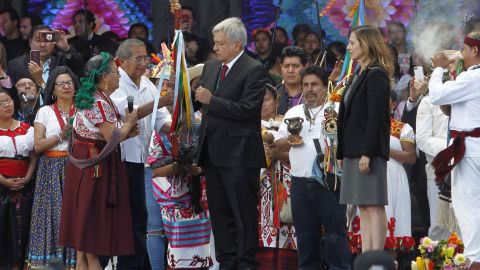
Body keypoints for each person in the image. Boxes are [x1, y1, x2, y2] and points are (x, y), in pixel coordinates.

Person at [194, 17, 267, 270]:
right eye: (215, 43)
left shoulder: (253, 68)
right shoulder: (211, 68)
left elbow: (248, 109)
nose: (215, 48)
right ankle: (226, 261)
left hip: (240, 153)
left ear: (237, 45)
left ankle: (246, 261)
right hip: (212, 152)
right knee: (219, 212)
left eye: (221, 44)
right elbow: (200, 103)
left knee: (243, 211)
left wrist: (212, 100)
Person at [59, 52, 139, 269]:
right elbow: (113, 137)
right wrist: (130, 123)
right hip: (95, 170)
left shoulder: (97, 98)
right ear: (104, 76)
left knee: (84, 245)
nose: (119, 76)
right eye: (115, 72)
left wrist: (128, 128)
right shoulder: (98, 102)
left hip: (86, 168)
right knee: (90, 240)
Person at [275, 65, 351, 269]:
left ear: (326, 86)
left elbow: (348, 142)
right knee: (306, 239)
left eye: (314, 84)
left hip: (329, 181)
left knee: (336, 238)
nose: (309, 89)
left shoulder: (335, 110)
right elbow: (278, 144)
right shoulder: (294, 111)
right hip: (300, 183)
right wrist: (291, 138)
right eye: (306, 85)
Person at [111, 39, 173, 270]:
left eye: (146, 57)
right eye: (138, 59)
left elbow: (162, 119)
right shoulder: (114, 82)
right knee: (129, 221)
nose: (144, 63)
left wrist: (178, 124)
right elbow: (128, 115)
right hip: (120, 162)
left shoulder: (147, 83)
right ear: (122, 61)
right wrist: (159, 101)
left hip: (141, 163)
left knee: (139, 220)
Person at [337, 25, 393, 251]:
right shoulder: (358, 73)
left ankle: (375, 256)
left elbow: (375, 117)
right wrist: (342, 152)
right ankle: (367, 254)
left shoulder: (376, 74)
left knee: (374, 204)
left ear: (366, 44)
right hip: (353, 150)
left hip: (367, 151)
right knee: (363, 204)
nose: (348, 47)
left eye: (352, 43)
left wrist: (367, 153)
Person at [428, 32, 480, 269]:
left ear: (475, 51)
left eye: (465, 50)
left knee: (467, 205)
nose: (462, 54)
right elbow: (451, 108)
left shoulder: (474, 77)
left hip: (471, 150)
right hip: (470, 148)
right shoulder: (470, 77)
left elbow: (437, 95)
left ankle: (475, 259)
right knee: (470, 205)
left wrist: (438, 68)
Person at [26, 66, 78, 269]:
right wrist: (61, 135)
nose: (66, 86)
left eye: (69, 83)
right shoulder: (45, 111)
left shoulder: (83, 109)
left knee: (75, 216)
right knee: (51, 215)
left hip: (77, 166)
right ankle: (49, 262)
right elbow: (38, 146)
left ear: (75, 86)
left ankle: (75, 262)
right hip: (51, 168)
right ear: (53, 90)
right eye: (61, 83)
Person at [258, 84, 297, 270]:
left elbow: (300, 154)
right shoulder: (245, 127)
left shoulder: (290, 124)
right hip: (259, 192)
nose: (261, 104)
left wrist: (278, 154)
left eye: (265, 100)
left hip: (286, 187)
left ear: (276, 101)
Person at [0, 89, 38, 270]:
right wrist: (4, 181)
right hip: (2, 187)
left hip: (25, 187)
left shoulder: (27, 129)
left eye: (7, 101)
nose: (6, 105)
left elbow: (33, 157)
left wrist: (28, 177)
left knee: (22, 227)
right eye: (0, 103)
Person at [415, 80, 452, 241]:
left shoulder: (470, 97)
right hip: (438, 170)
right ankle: (439, 264)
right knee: (439, 224)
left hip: (469, 167)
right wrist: (452, 148)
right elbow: (422, 139)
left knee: (468, 220)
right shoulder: (428, 101)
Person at [7, 24, 84, 93]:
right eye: (38, 40)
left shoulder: (61, 61)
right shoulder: (16, 65)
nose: (42, 45)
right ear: (30, 42)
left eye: (47, 40)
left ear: (53, 43)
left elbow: (79, 67)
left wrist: (66, 48)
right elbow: (10, 91)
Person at [277, 46, 307, 115]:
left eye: (296, 66)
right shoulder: (273, 94)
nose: (290, 71)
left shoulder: (313, 94)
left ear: (305, 67)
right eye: (286, 66)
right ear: (281, 67)